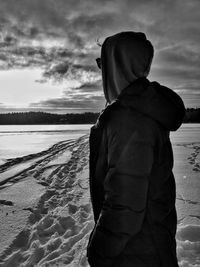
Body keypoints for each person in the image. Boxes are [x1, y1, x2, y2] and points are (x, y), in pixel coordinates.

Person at [86, 31, 185, 267]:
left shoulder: (128, 120)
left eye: (103, 63)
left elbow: (124, 207)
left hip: (135, 255)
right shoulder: (143, 111)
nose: (102, 72)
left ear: (118, 65)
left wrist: (98, 252)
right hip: (151, 247)